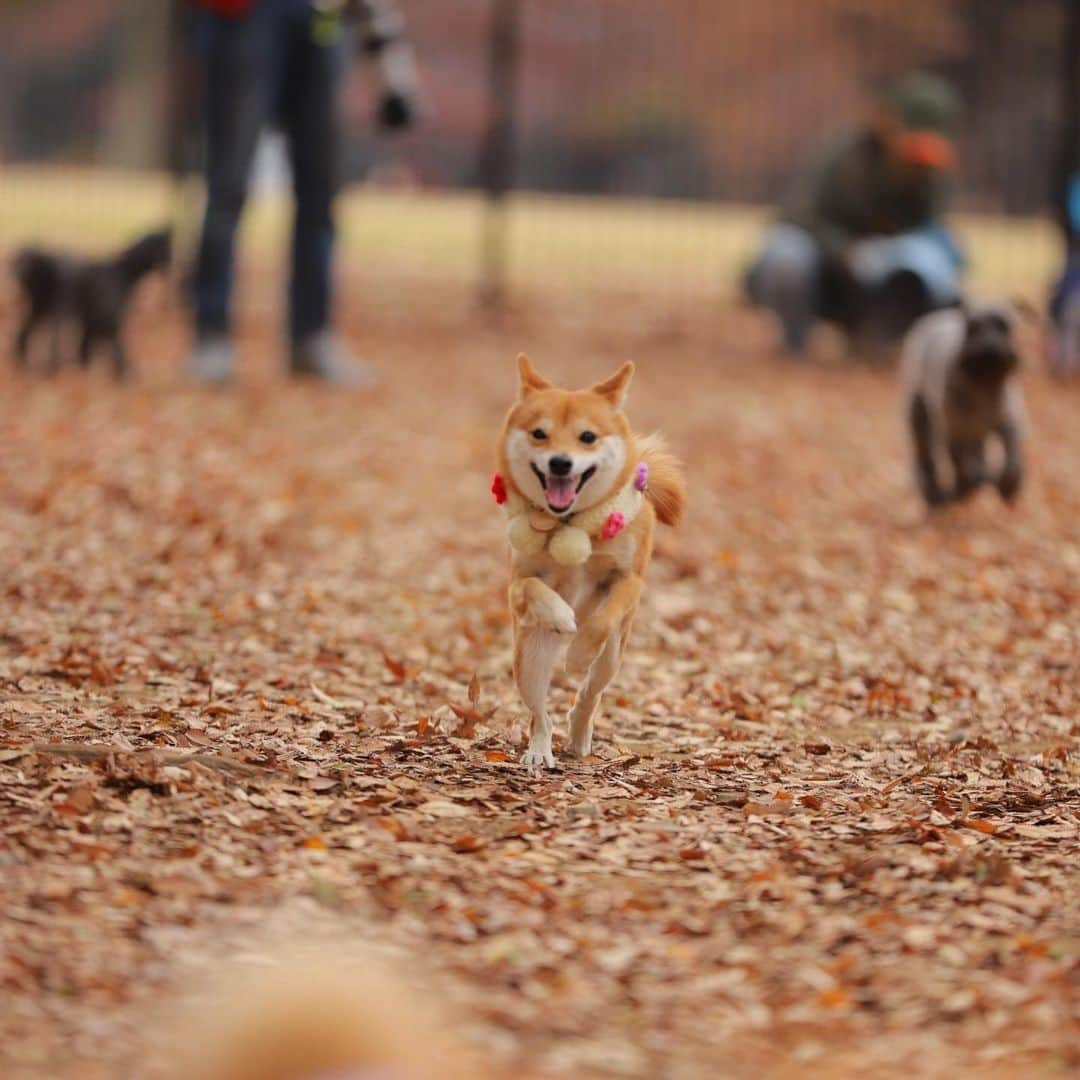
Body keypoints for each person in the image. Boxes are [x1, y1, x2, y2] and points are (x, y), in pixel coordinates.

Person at [187, 0, 418, 384]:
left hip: (321, 16)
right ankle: (211, 336)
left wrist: (395, 77)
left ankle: (313, 337)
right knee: (228, 184)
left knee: (320, 189)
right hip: (247, 15)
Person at [746, 72, 964, 358]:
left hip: (884, 272)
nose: (918, 162)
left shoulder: (931, 175)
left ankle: (880, 337)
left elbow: (930, 228)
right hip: (825, 263)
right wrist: (846, 250)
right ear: (889, 124)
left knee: (932, 260)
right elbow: (800, 214)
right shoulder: (842, 157)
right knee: (787, 255)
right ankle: (794, 340)